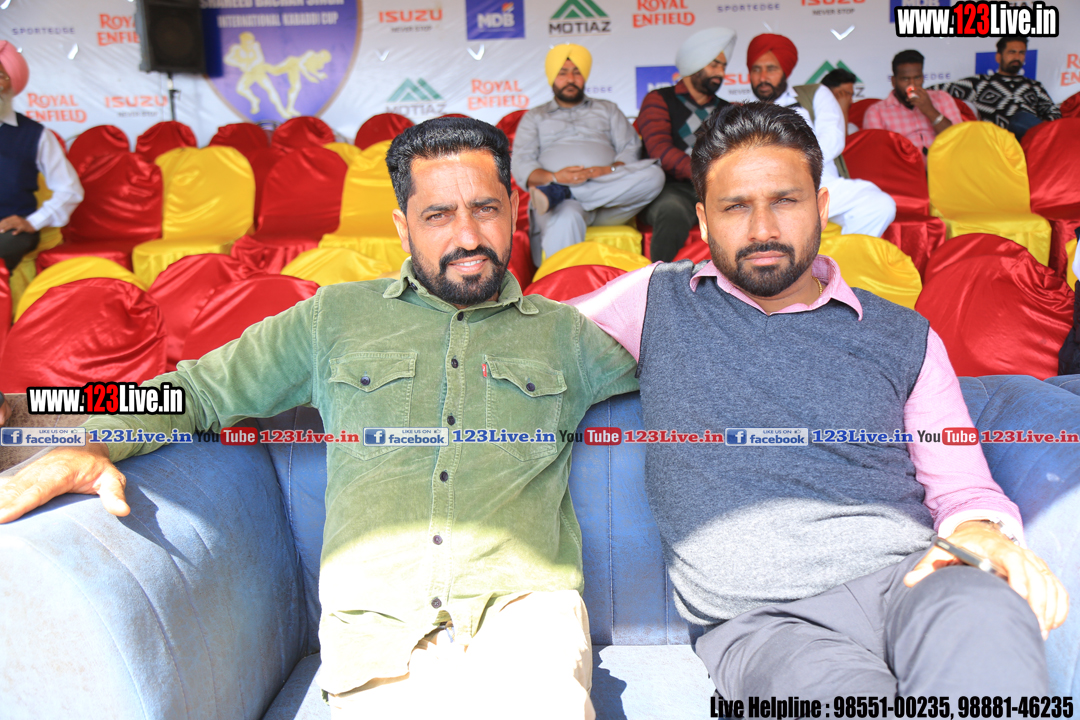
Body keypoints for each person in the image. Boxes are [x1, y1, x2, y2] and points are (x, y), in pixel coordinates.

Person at [0, 117, 640, 719]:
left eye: (485, 208)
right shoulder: (331, 318)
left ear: (514, 209)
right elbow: (196, 389)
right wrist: (92, 444)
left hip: (524, 618)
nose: (468, 237)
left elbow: (688, 357)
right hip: (377, 629)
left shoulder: (568, 336)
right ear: (402, 227)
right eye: (438, 215)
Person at [571, 102, 1067, 702]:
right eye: (735, 206)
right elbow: (526, 343)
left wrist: (983, 530)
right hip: (765, 626)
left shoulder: (902, 334)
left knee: (990, 626)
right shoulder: (657, 300)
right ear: (703, 219)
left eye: (785, 200)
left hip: (916, 580)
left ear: (822, 207)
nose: (762, 229)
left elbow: (961, 484)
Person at [512, 44, 664, 266]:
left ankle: (567, 191)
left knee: (655, 175)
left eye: (577, 72)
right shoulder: (535, 116)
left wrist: (607, 170)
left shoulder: (608, 109)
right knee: (565, 217)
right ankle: (563, 291)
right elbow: (521, 163)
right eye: (563, 73)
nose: (570, 79)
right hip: (563, 206)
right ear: (552, 77)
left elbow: (630, 148)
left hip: (610, 202)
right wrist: (555, 177)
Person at [745, 34, 896, 238]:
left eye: (771, 69)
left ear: (784, 71)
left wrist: (792, 163)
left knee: (880, 205)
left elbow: (833, 139)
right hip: (770, 193)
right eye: (756, 69)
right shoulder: (743, 112)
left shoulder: (814, 94)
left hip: (822, 185)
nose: (763, 77)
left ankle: (843, 256)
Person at [637, 27, 736, 262]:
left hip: (719, 188)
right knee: (672, 210)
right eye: (714, 65)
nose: (720, 73)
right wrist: (708, 174)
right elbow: (660, 151)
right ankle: (661, 280)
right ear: (694, 63)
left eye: (723, 66)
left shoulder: (729, 109)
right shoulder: (659, 100)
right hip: (670, 189)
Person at [0, 41, 83, 272]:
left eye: (0, 76)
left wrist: (33, 222)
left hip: (9, 231)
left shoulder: (35, 135)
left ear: (12, 83)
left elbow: (70, 190)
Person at [935, 36, 1060, 141]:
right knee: (1018, 119)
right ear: (998, 57)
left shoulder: (1034, 86)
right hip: (997, 142)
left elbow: (1054, 113)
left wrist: (1042, 127)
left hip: (1028, 141)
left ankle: (1043, 139)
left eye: (1021, 53)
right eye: (1012, 52)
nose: (1017, 57)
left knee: (1022, 118)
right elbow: (937, 91)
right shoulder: (980, 83)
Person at [863, 50, 963, 153]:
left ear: (923, 78)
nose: (912, 85)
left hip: (943, 160)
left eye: (917, 78)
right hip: (902, 163)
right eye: (905, 79)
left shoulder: (942, 98)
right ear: (894, 81)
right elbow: (878, 153)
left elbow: (959, 139)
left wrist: (930, 110)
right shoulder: (876, 112)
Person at [820, 67, 857, 134]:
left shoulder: (851, 128)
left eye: (851, 95)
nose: (850, 101)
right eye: (844, 94)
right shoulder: (808, 122)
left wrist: (843, 112)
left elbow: (842, 140)